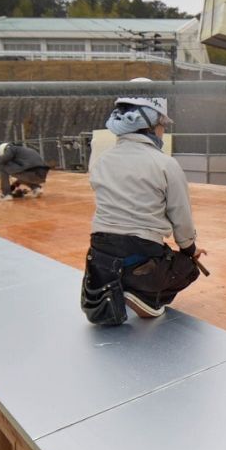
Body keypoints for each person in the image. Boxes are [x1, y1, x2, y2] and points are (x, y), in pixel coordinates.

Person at [80, 82, 205, 323]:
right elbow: (181, 218)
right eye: (161, 125)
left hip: (100, 254)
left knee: (120, 254)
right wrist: (190, 249)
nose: (162, 132)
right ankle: (145, 296)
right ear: (149, 124)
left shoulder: (101, 162)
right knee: (188, 268)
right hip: (141, 254)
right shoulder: (165, 164)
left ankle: (117, 286)